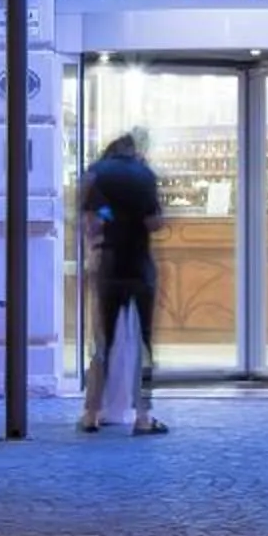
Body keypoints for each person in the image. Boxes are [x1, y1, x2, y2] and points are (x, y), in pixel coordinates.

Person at [77, 131, 167, 434]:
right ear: (134, 151)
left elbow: (92, 222)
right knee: (143, 343)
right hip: (139, 265)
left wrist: (109, 218)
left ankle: (91, 413)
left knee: (103, 342)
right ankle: (143, 417)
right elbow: (154, 222)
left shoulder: (97, 174)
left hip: (108, 263)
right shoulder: (145, 175)